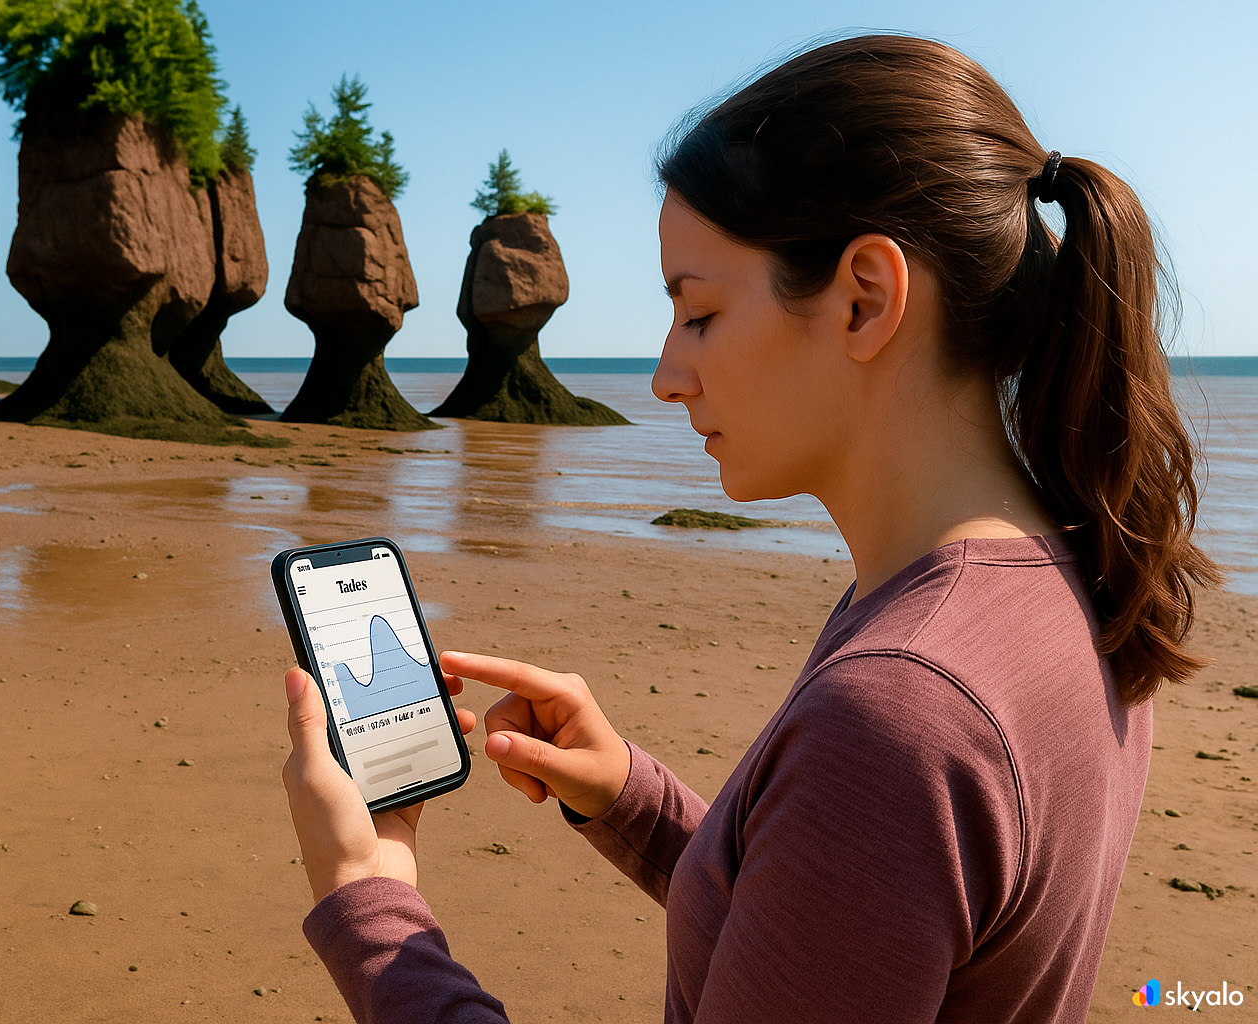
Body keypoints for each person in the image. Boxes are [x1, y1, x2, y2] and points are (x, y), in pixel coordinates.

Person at [278, 34, 1222, 1023]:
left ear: (865, 298)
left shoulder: (900, 711)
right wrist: (629, 798)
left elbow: (870, 865)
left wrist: (368, 900)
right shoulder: (1065, 576)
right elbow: (850, 929)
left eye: (698, 312)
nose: (664, 376)